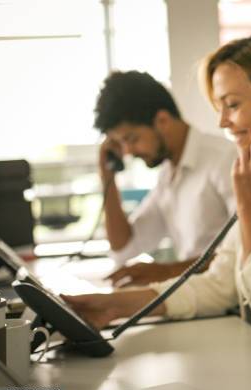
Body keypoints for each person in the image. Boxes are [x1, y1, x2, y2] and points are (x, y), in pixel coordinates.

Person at [63, 31, 251, 339]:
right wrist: (113, 305)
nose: (222, 121)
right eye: (218, 107)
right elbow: (219, 283)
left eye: (232, 104)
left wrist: (250, 207)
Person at [94, 71, 236, 287]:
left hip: (229, 306)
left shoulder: (224, 160)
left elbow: (245, 252)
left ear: (162, 120)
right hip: (195, 301)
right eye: (121, 143)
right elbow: (124, 248)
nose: (129, 151)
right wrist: (107, 177)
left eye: (132, 139)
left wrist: (167, 272)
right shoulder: (168, 174)